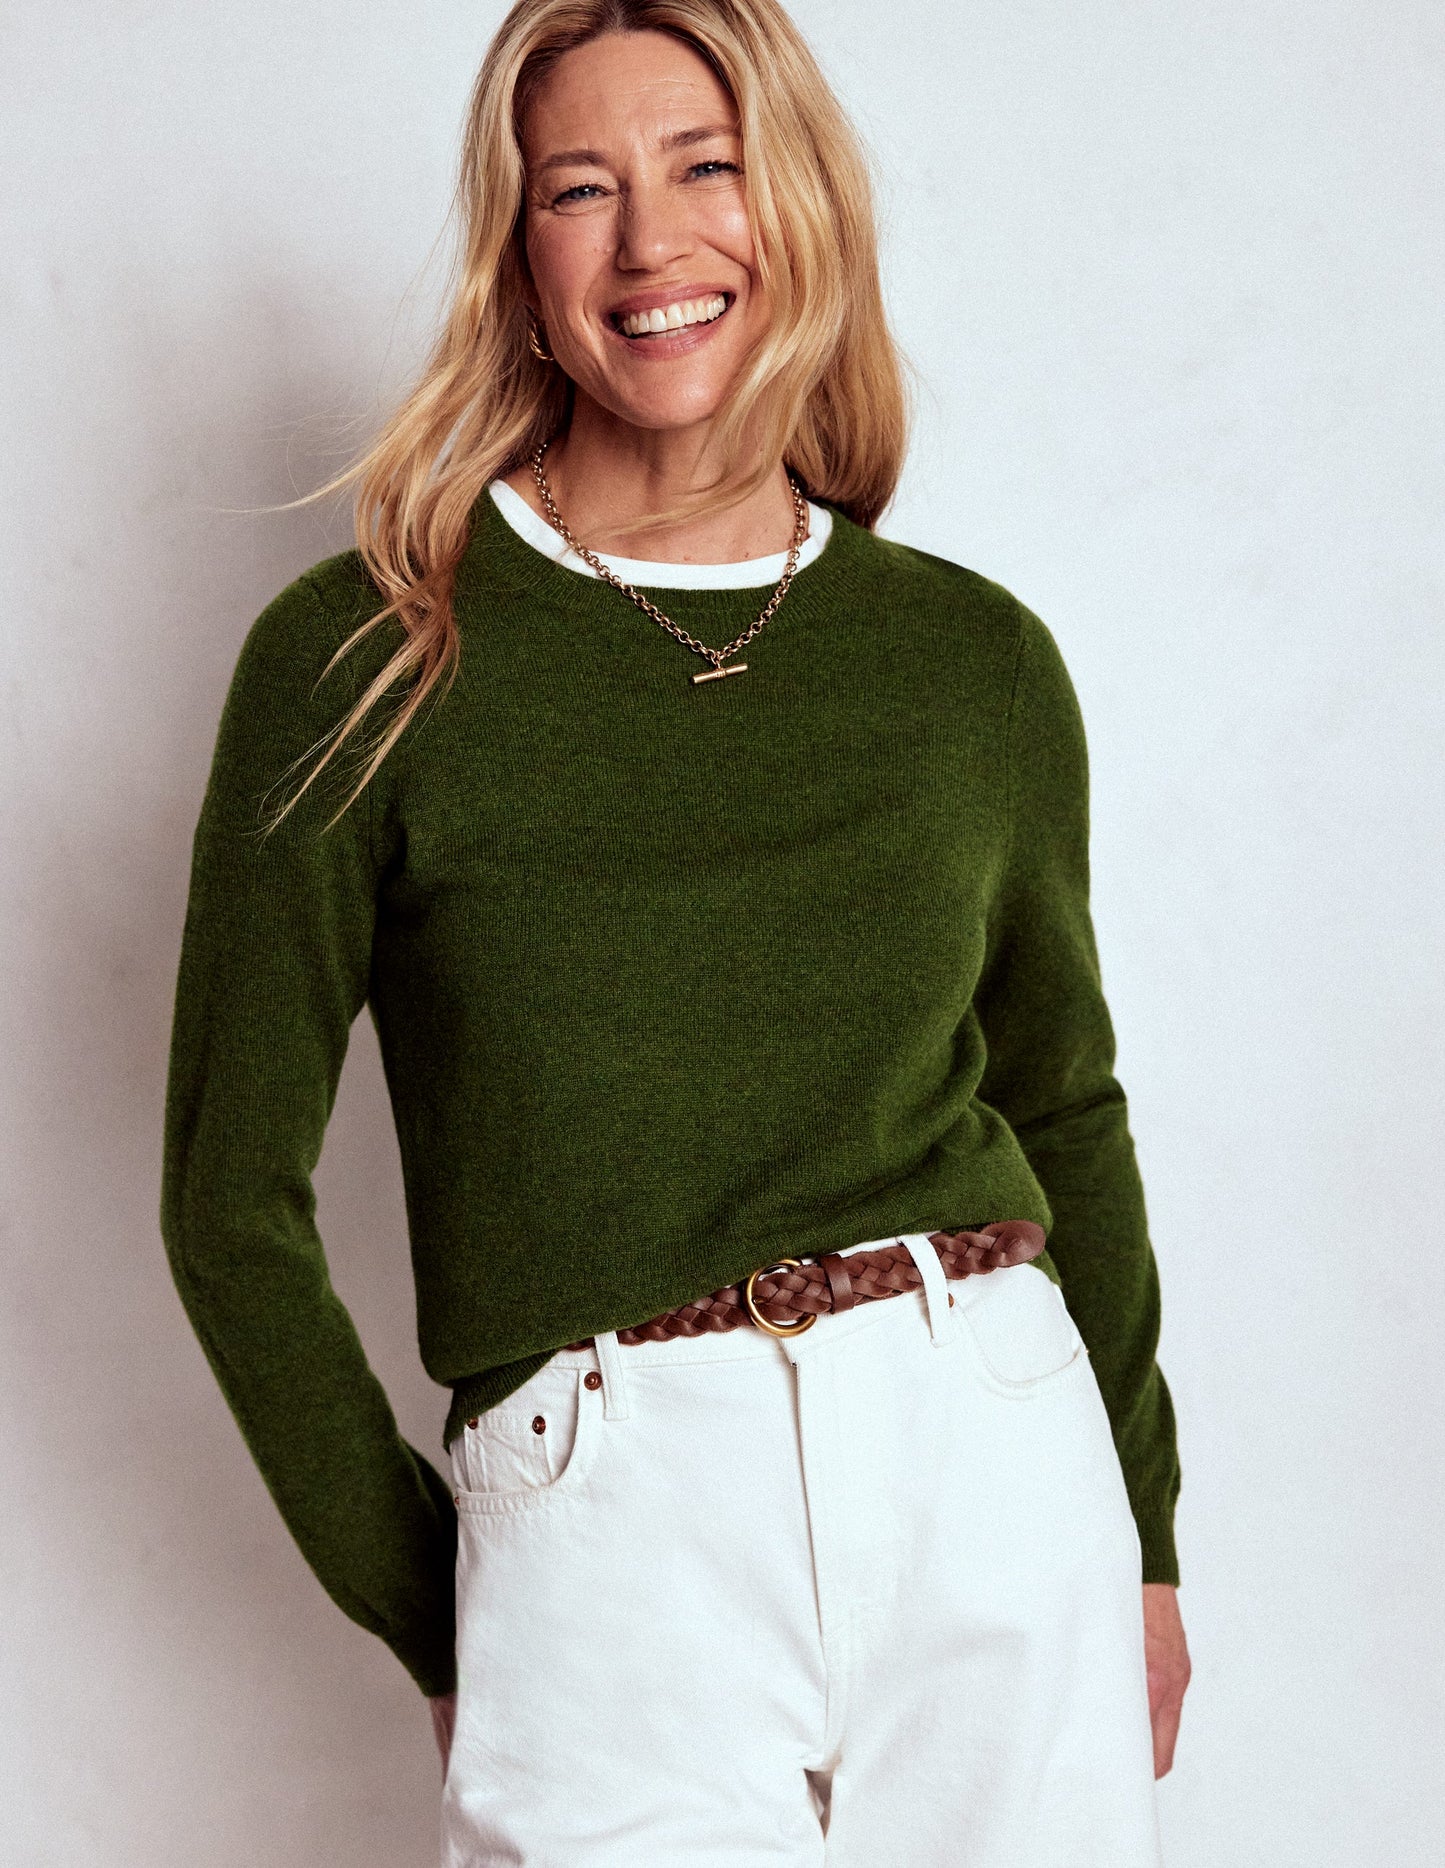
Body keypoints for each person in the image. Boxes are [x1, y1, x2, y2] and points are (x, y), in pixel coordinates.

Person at [160, 1, 1190, 1862]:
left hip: (990, 1456)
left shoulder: (970, 663)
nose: (650, 242)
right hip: (606, 1512)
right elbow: (228, 1202)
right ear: (518, 259)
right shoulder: (365, 657)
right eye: (579, 189)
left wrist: (1143, 1541)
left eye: (704, 167)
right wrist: (441, 1604)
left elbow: (1064, 1107)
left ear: (793, 203)